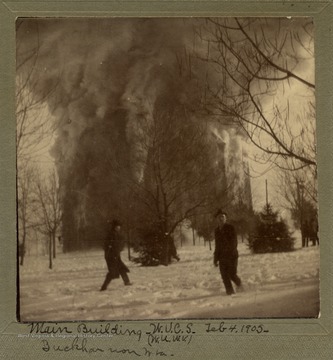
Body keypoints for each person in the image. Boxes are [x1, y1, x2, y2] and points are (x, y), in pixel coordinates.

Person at [214, 209, 243, 295]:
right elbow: (217, 245)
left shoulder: (230, 228)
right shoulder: (217, 231)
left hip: (232, 256)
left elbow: (234, 242)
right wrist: (215, 258)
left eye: (222, 217)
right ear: (216, 219)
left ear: (226, 218)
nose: (221, 219)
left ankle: (240, 285)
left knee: (232, 274)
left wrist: (229, 252)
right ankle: (230, 293)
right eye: (219, 217)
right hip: (222, 257)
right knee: (224, 276)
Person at [100, 219, 132, 291]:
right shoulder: (111, 234)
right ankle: (104, 287)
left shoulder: (116, 234)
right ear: (114, 227)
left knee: (121, 268)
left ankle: (127, 281)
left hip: (116, 255)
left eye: (119, 226)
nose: (119, 228)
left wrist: (119, 248)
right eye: (117, 227)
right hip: (111, 256)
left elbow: (118, 244)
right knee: (112, 272)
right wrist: (111, 251)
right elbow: (108, 245)